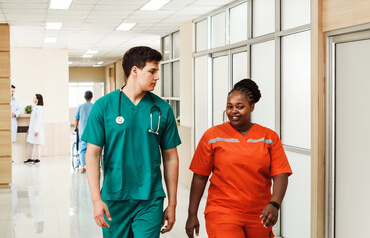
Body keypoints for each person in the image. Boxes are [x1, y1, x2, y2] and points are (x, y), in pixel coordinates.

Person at [83, 46, 181, 238]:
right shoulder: (104, 106)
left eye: (156, 72)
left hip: (150, 198)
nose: (157, 77)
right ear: (134, 71)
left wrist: (172, 203)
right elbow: (92, 154)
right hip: (114, 197)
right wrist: (96, 199)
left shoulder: (162, 109)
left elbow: (171, 158)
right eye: (152, 71)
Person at [185, 79, 292, 238]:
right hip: (222, 211)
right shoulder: (212, 136)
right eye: (229, 106)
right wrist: (192, 213)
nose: (233, 111)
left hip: (260, 213)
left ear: (252, 107)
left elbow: (281, 174)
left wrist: (274, 204)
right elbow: (200, 176)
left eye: (239, 107)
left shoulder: (268, 137)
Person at [74, 90, 94, 173]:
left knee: (82, 148)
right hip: (92, 130)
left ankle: (83, 165)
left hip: (82, 130)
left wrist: (76, 127)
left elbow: (76, 118)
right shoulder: (94, 106)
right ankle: (91, 164)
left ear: (84, 97)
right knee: (92, 147)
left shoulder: (80, 106)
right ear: (91, 97)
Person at [25, 94, 44, 164]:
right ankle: (30, 158)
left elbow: (38, 120)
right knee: (30, 143)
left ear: (37, 100)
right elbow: (32, 120)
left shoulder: (40, 108)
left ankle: (37, 158)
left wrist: (36, 130)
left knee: (36, 144)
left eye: (34, 98)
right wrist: (29, 129)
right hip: (32, 129)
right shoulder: (35, 108)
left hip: (36, 130)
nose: (33, 99)